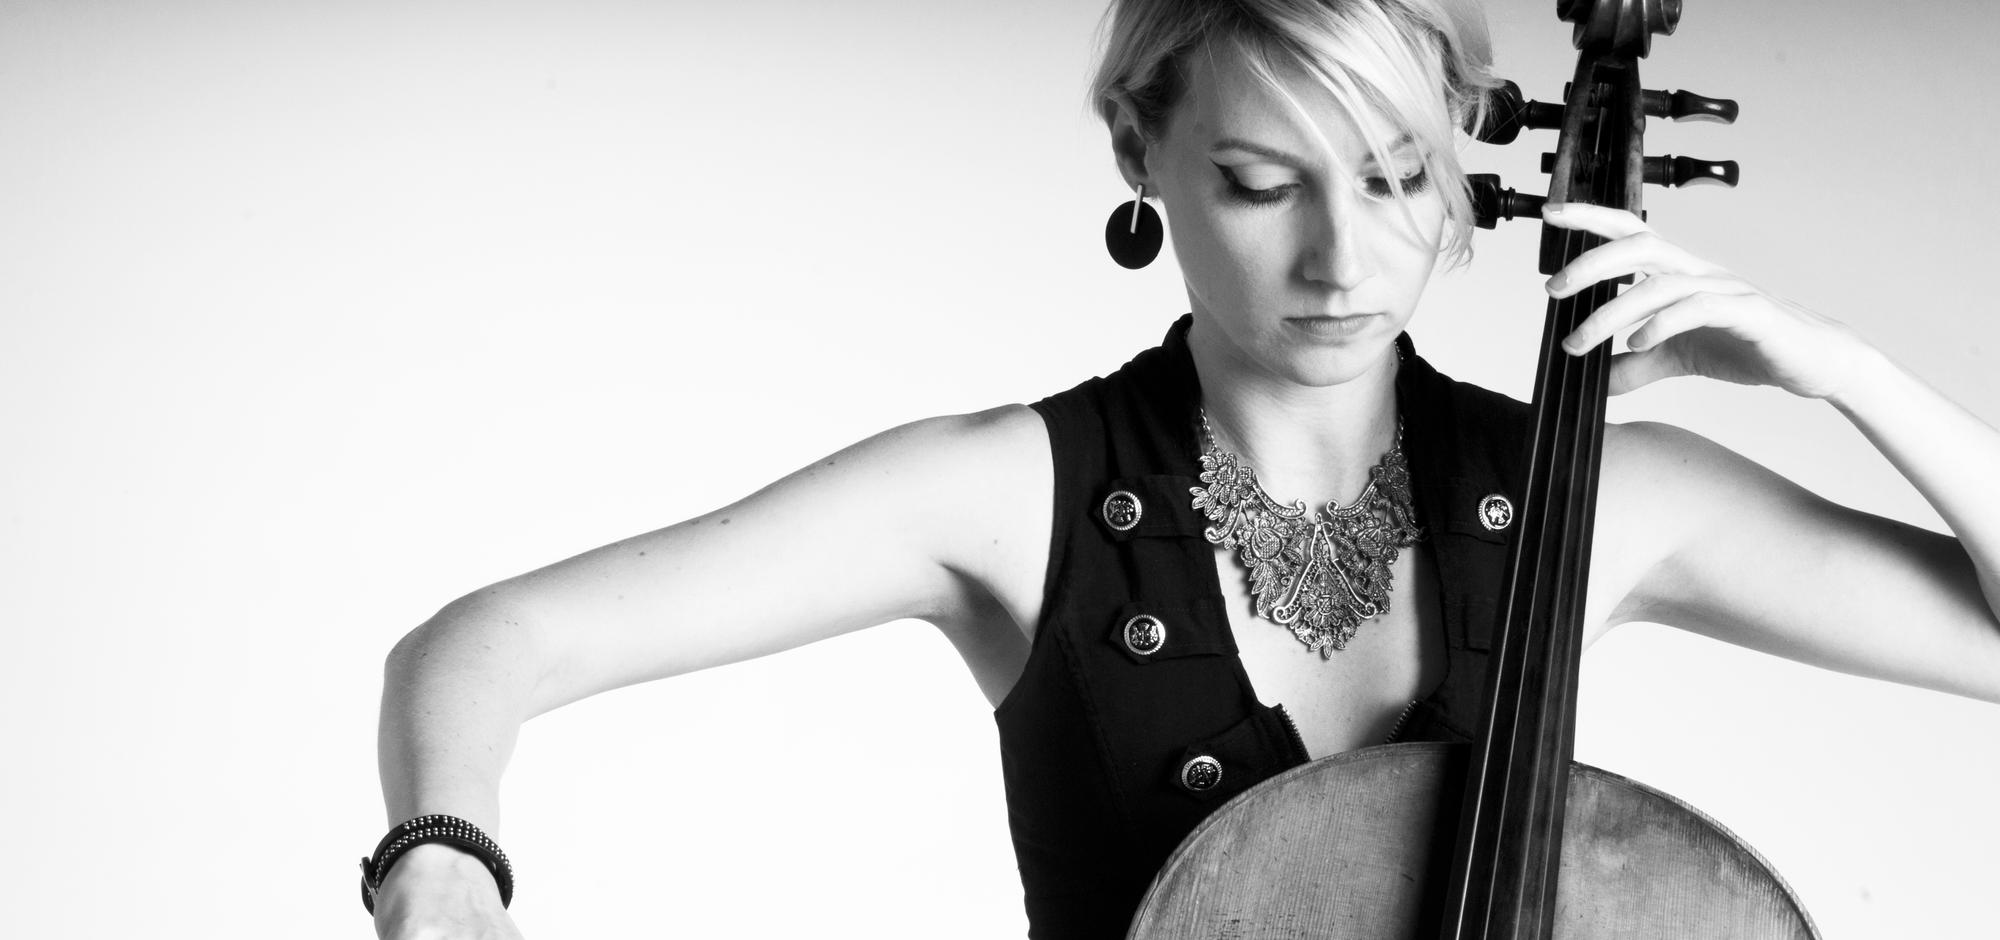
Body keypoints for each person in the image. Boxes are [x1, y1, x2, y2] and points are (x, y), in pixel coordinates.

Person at [366, 1, 2000, 937]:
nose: (1343, 256)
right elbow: (487, 641)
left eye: (1396, 177)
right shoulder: (1007, 500)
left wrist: (1842, 374)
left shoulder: (1599, 503)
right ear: (1140, 151)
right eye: (1260, 183)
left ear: (1462, 154)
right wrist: (445, 856)